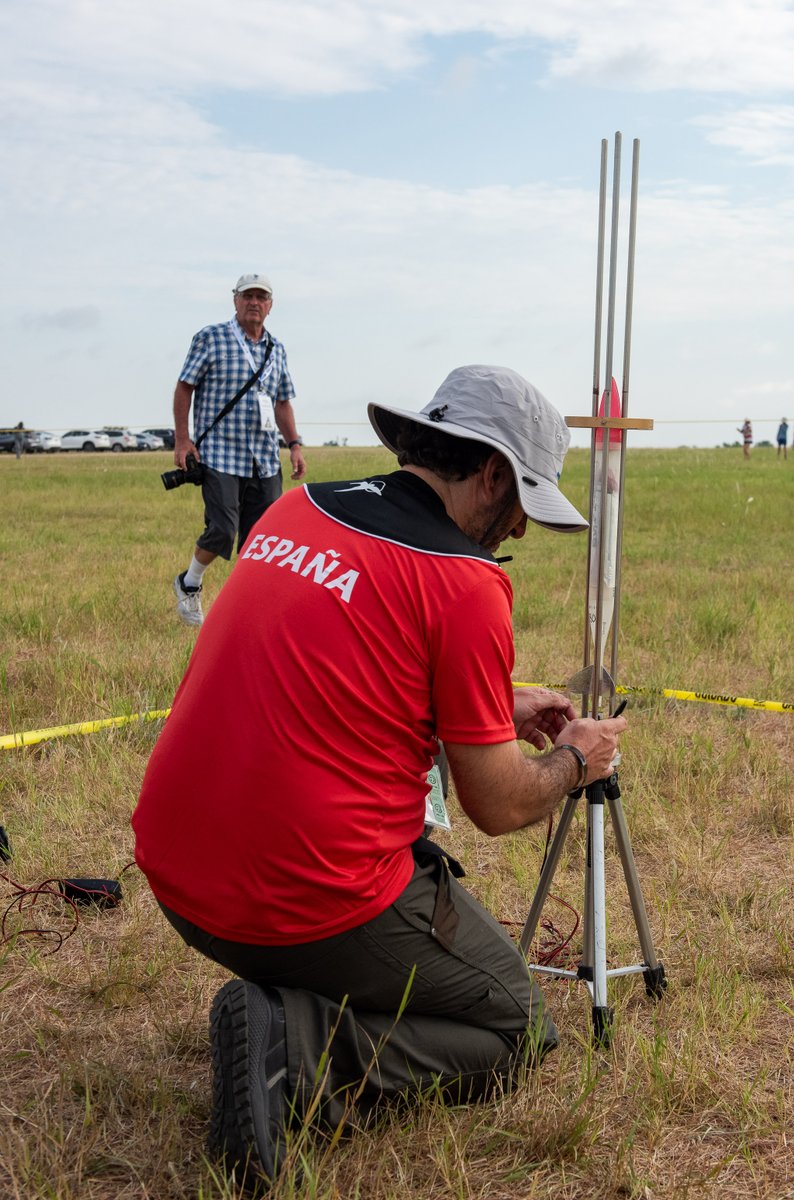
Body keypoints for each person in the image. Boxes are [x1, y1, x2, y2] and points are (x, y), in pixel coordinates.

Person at [133, 365, 627, 1186]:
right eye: (521, 505)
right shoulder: (467, 582)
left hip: (180, 879)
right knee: (515, 1030)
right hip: (302, 900)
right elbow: (498, 805)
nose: (520, 533)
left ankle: (288, 1014)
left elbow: (352, 670)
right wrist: (577, 761)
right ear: (492, 474)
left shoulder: (299, 509)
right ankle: (302, 1054)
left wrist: (495, 704)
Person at [171, 273, 307, 627]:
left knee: (262, 540)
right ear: (235, 300)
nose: (254, 302)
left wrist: (294, 445)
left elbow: (282, 402)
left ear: (270, 305)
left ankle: (245, 608)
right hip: (219, 454)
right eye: (247, 296)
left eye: (261, 297)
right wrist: (183, 440)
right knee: (222, 530)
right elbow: (184, 387)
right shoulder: (211, 338)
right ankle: (190, 583)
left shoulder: (276, 349)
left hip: (263, 459)